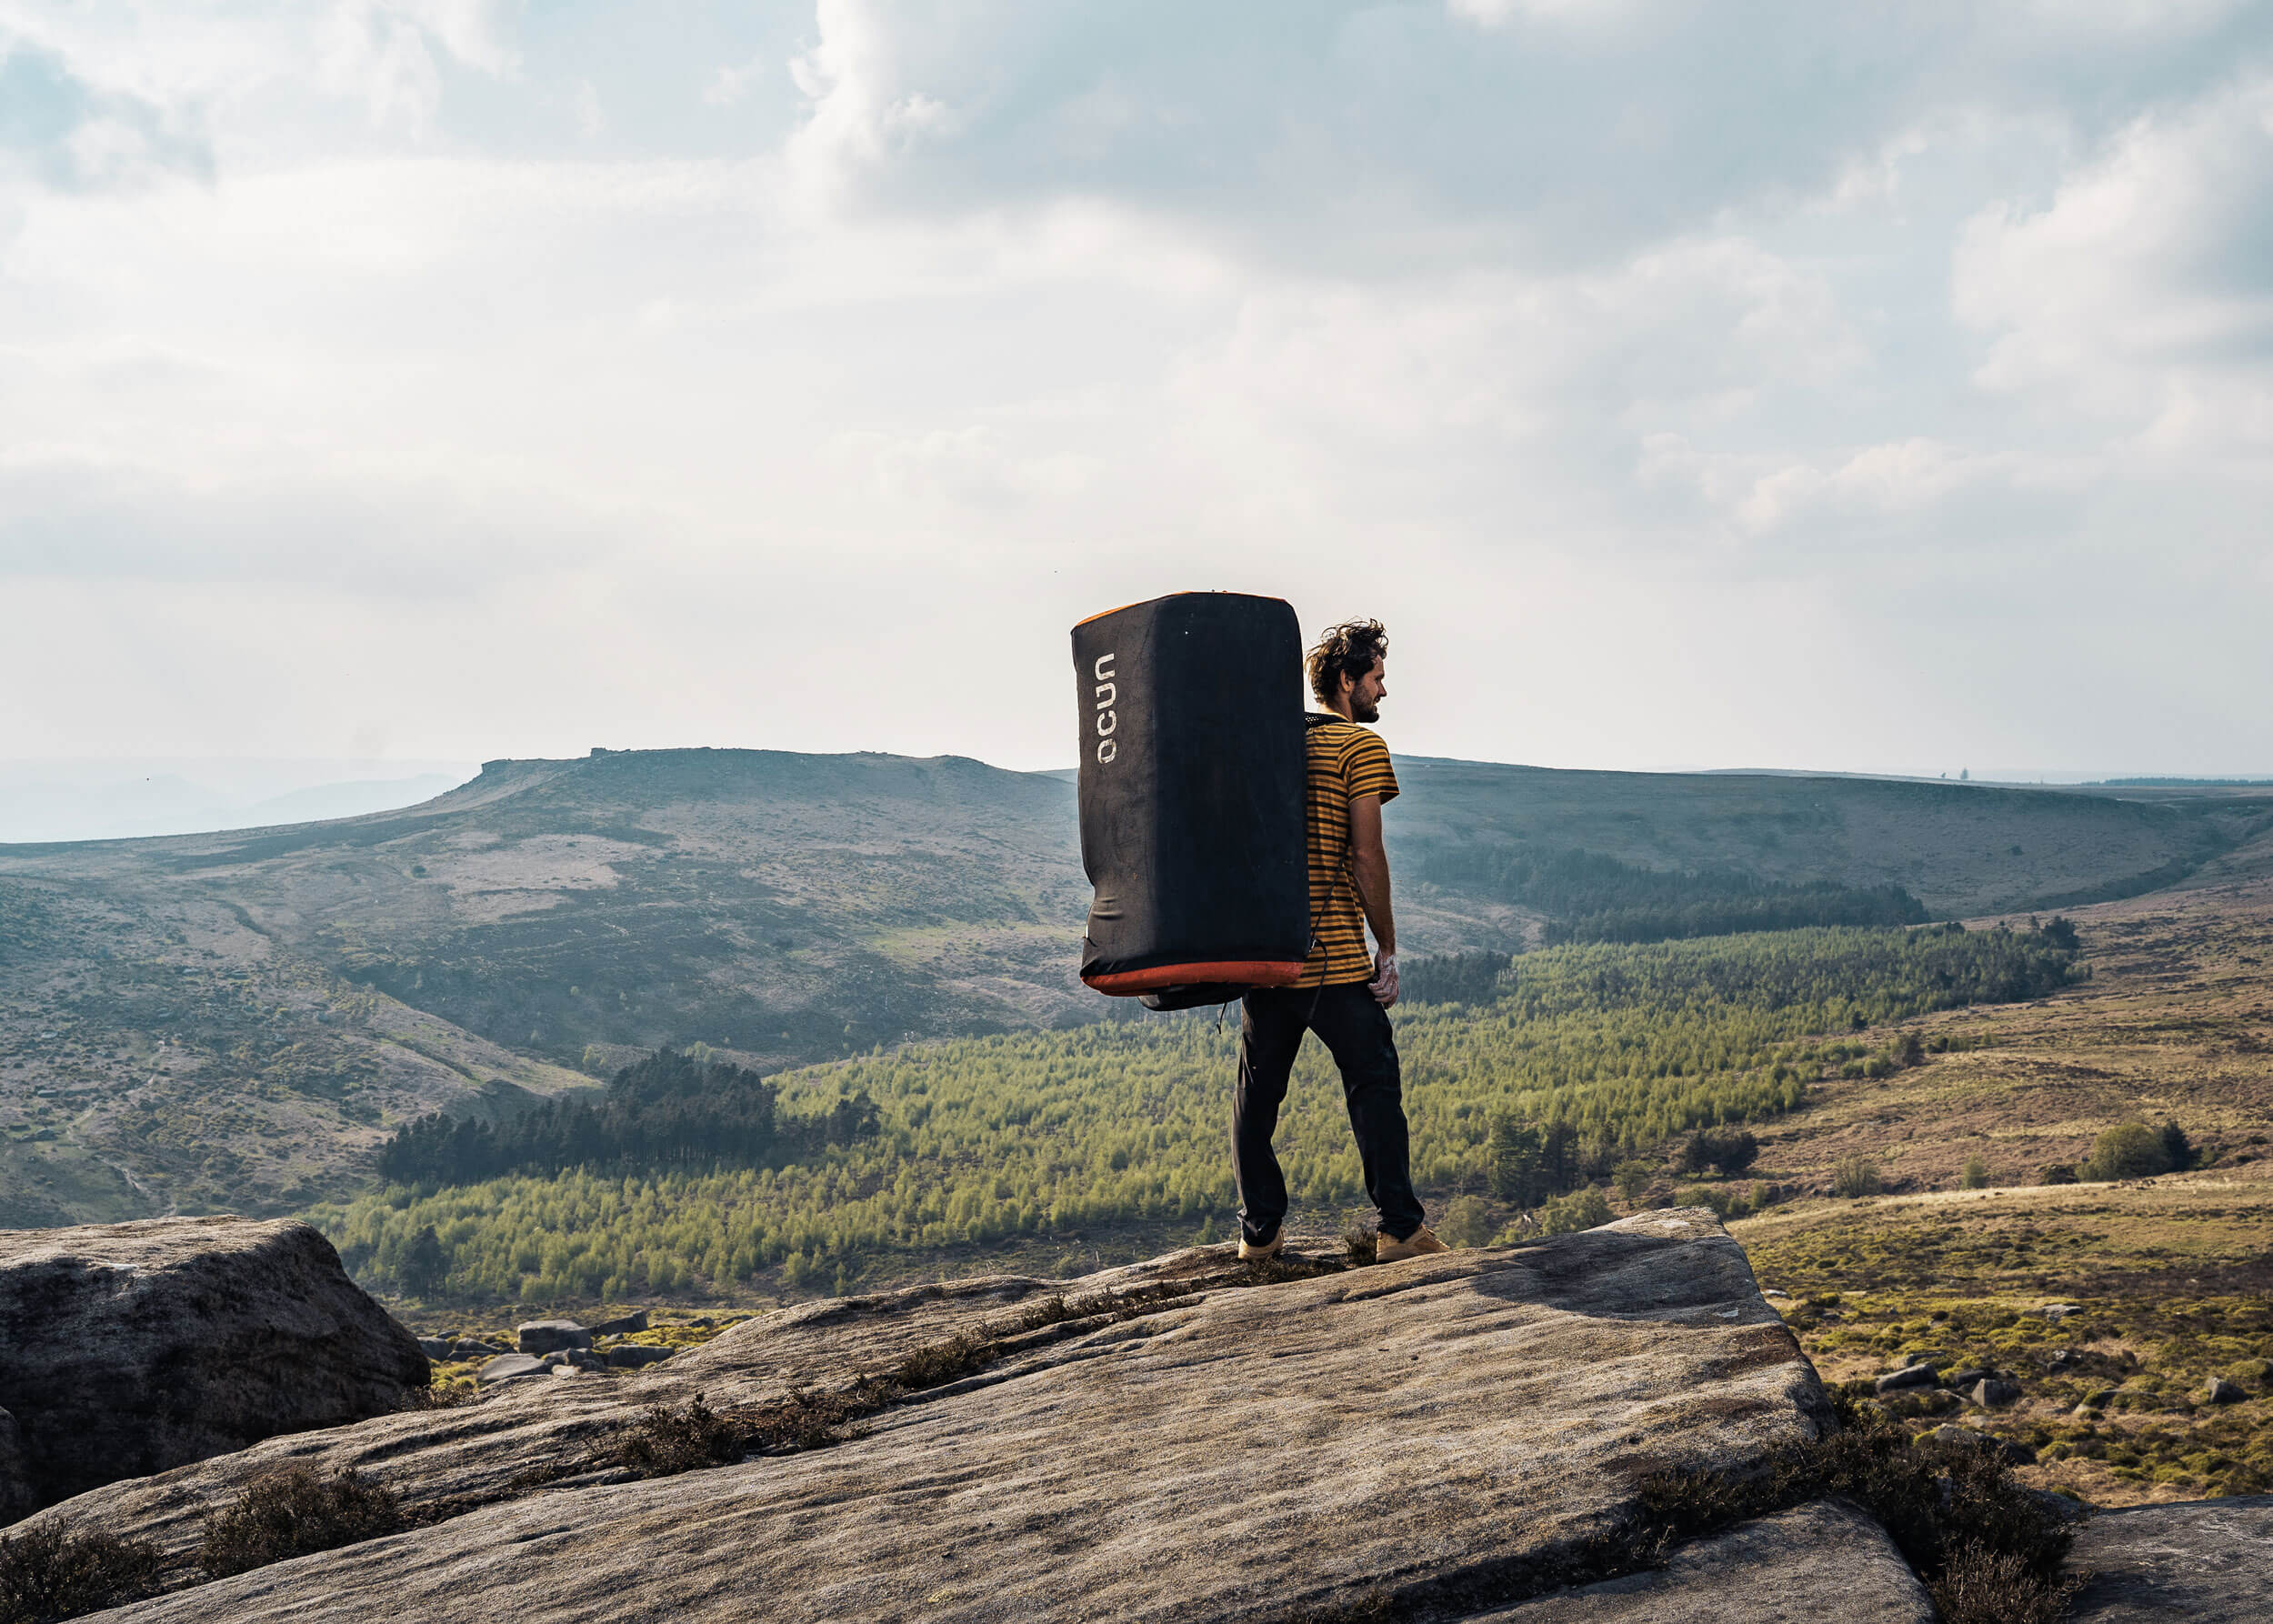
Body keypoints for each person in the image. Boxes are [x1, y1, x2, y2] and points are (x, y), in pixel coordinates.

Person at [1235, 618, 1446, 1264]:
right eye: (1377, 678)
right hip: (1333, 958)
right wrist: (1388, 948)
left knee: (1257, 1098)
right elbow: (1366, 854)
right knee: (1374, 1085)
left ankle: (1259, 1235)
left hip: (1269, 956)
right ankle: (1401, 1230)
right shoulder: (1359, 747)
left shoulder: (1273, 743)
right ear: (1347, 680)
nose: (1383, 691)